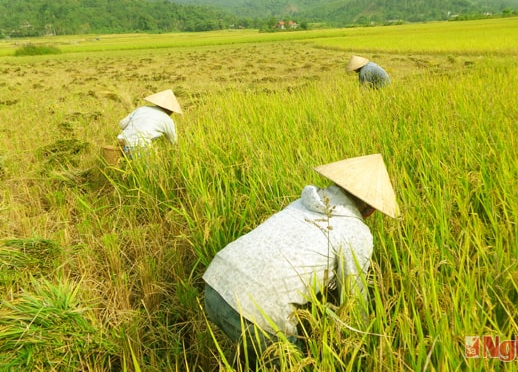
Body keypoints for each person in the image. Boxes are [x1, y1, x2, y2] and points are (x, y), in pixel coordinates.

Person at [202, 154, 399, 363]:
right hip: (256, 313)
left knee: (249, 353)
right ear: (370, 211)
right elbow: (354, 303)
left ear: (337, 183)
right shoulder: (356, 232)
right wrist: (363, 353)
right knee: (291, 362)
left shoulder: (303, 202)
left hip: (214, 283)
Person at [117, 89, 182, 155]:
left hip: (122, 143)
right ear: (171, 110)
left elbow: (122, 124)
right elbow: (173, 141)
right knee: (147, 164)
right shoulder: (167, 120)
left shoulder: (141, 109)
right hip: (140, 147)